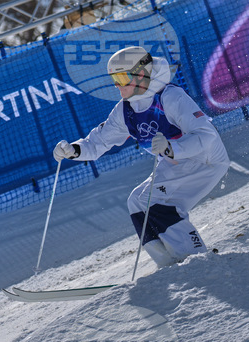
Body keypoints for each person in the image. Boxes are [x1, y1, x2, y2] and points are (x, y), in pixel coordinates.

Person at [53, 45, 231, 268]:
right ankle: (167, 263)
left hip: (204, 159)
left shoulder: (170, 97)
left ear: (140, 74)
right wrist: (74, 150)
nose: (117, 85)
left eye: (121, 78)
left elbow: (207, 135)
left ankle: (195, 257)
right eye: (114, 79)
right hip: (174, 164)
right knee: (137, 201)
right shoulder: (125, 110)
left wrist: (172, 148)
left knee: (156, 202)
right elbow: (99, 141)